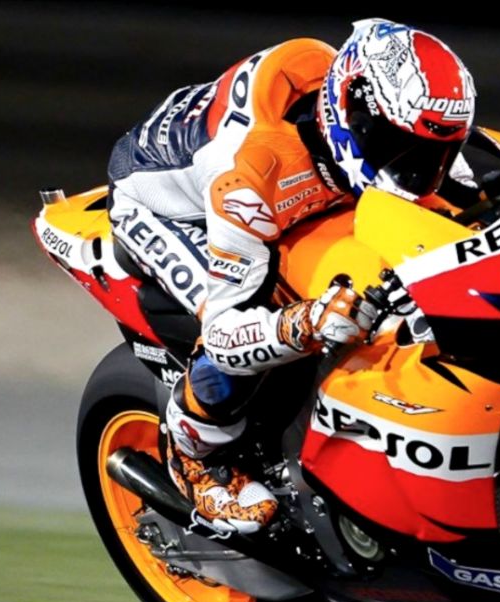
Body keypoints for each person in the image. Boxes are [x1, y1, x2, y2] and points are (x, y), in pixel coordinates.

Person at [106, 19, 479, 535]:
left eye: (430, 154)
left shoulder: (390, 115)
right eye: (396, 146)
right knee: (249, 334)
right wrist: (305, 322)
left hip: (269, 180)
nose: (415, 169)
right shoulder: (249, 179)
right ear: (352, 114)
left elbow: (466, 193)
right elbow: (226, 334)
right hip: (166, 207)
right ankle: (193, 456)